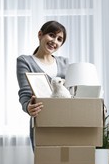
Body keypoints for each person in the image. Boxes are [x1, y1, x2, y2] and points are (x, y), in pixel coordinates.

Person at [16, 20, 69, 149]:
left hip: (67, 121)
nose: (54, 41)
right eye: (51, 35)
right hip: (42, 122)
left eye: (59, 39)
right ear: (40, 35)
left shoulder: (64, 63)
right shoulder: (25, 61)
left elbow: (73, 92)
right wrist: (28, 107)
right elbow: (25, 93)